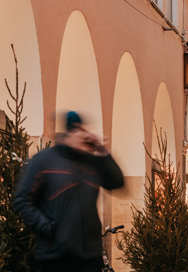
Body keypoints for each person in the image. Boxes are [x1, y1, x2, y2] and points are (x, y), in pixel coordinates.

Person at [14, 111, 124, 272]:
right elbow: (22, 200)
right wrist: (47, 228)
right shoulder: (44, 161)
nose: (83, 135)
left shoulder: (91, 163)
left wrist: (102, 150)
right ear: (68, 133)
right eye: (77, 130)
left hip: (91, 257)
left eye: (83, 130)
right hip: (56, 258)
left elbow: (116, 181)